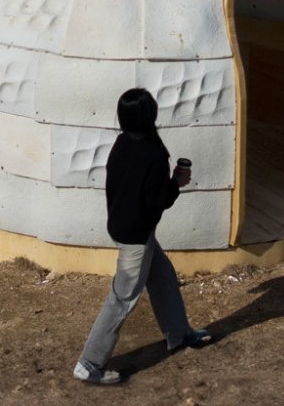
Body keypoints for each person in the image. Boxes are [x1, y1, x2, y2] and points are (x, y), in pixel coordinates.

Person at [73, 88, 212, 385]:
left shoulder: (122, 143)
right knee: (122, 299)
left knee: (162, 277)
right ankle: (89, 363)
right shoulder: (152, 153)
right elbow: (157, 200)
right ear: (150, 115)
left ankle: (179, 334)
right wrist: (176, 183)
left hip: (124, 227)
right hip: (136, 237)